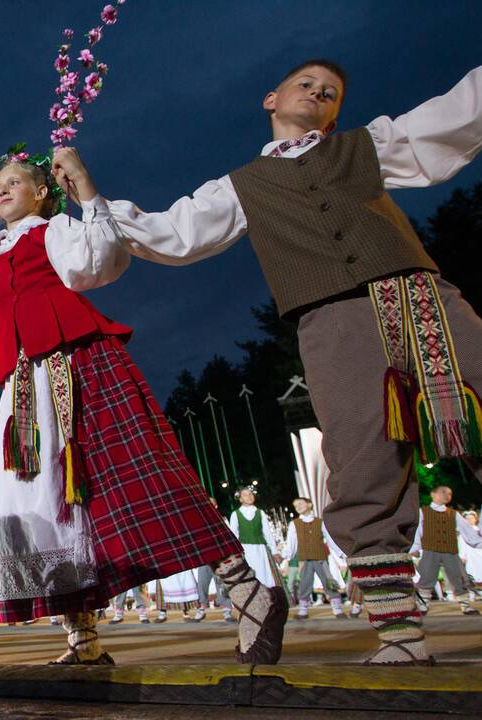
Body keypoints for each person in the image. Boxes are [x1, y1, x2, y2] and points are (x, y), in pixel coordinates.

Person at [103, 60, 482, 665]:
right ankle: (401, 634)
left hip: (421, 297)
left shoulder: (368, 145)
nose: (321, 90)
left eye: (331, 91)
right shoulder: (241, 186)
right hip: (332, 320)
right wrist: (93, 199)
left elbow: (460, 112)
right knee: (361, 461)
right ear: (271, 98)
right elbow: (173, 234)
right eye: (307, 82)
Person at [0, 146, 285, 665]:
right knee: (45, 503)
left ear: (43, 192)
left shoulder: (58, 230)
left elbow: (98, 264)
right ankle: (83, 640)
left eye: (14, 182)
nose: (1, 191)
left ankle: (248, 590)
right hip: (25, 383)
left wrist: (88, 191)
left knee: (139, 479)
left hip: (80, 365)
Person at [410, 486, 482, 615]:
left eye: (449, 494)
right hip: (430, 550)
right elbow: (417, 531)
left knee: (458, 577)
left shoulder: (453, 514)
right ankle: (423, 606)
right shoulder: (423, 512)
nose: (447, 495)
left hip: (450, 551)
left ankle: (465, 606)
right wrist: (415, 547)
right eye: (443, 492)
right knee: (426, 577)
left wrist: (478, 543)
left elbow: (468, 531)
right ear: (433, 494)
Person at [284, 497, 347, 619]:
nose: (298, 507)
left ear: (309, 504)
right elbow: (291, 543)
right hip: (304, 560)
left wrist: (341, 555)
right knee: (304, 583)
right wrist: (286, 558)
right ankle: (303, 611)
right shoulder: (294, 524)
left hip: (320, 558)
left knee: (329, 582)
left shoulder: (320, 522)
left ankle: (338, 609)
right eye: (296, 505)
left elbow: (330, 539)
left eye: (300, 504)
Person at [229, 487, 284, 591]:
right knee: (249, 572)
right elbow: (234, 535)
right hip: (245, 549)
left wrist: (275, 551)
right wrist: (235, 552)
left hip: (260, 549)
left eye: (250, 494)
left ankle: (269, 596)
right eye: (245, 495)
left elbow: (267, 533)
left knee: (264, 572)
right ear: (240, 499)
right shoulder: (236, 514)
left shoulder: (260, 512)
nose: (249, 497)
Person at [461, 510, 482, 598]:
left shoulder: (479, 530)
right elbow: (462, 544)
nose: (469, 520)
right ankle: (472, 593)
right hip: (470, 556)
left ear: (475, 519)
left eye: (471, 518)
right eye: (467, 518)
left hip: (479, 554)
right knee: (470, 574)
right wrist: (462, 556)